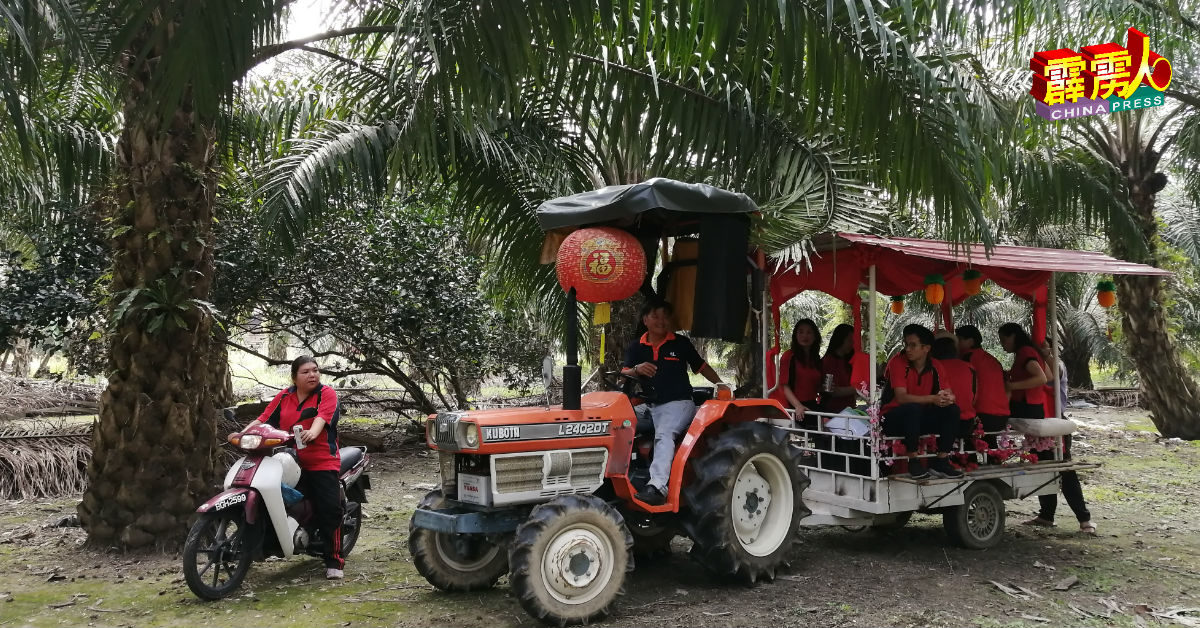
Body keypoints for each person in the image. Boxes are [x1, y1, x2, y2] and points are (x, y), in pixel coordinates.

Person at [244, 356, 345, 579]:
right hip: (290, 459)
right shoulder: (285, 396)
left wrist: (313, 433)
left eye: (315, 370)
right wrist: (243, 434)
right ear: (294, 377)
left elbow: (322, 418)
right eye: (306, 372)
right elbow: (263, 419)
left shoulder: (326, 393)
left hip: (321, 460)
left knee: (330, 508)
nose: (312, 375)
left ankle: (334, 560)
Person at [622, 300, 723, 506]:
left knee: (665, 433)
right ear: (645, 320)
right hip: (648, 405)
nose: (662, 320)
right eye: (656, 316)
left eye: (665, 316)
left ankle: (657, 486)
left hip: (678, 403)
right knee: (619, 424)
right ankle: (622, 476)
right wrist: (637, 369)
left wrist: (722, 384)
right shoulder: (636, 346)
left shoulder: (680, 343)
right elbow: (624, 373)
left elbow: (702, 366)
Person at [1024, 343, 1097, 535]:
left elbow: (1053, 373)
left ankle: (1084, 519)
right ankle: (1046, 514)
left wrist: (1046, 354)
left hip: (1056, 423)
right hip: (1038, 424)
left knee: (1065, 471)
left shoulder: (1056, 364)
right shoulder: (1033, 366)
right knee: (1043, 468)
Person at [880, 325, 963, 479]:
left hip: (918, 419)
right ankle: (913, 461)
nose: (908, 349)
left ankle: (942, 461)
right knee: (913, 409)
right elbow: (901, 398)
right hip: (892, 419)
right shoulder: (897, 362)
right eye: (906, 344)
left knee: (953, 410)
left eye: (913, 345)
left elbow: (949, 393)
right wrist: (933, 398)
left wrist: (948, 399)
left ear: (926, 348)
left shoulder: (937, 366)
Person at [956, 325, 1011, 456]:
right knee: (989, 441)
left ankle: (968, 461)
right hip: (1002, 416)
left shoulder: (966, 358)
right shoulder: (992, 359)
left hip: (982, 415)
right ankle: (994, 460)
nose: (956, 343)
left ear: (970, 341)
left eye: (959, 339)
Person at [776, 319, 824, 426]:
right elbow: (785, 386)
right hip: (794, 407)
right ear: (795, 335)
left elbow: (815, 386)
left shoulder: (815, 358)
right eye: (801, 332)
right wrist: (798, 406)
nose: (805, 336)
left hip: (812, 405)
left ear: (815, 336)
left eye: (809, 332)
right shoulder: (789, 356)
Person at [997, 323, 1047, 418]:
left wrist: (1011, 386)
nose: (1002, 345)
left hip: (1025, 405)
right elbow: (1049, 376)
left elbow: (1042, 378)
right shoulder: (1033, 350)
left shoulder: (1025, 352)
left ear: (1013, 336)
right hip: (1036, 405)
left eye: (1003, 340)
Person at [932, 336, 977, 438]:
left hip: (941, 422)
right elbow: (974, 396)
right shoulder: (969, 367)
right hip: (967, 422)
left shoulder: (933, 367)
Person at [821, 323, 858, 414]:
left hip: (849, 410)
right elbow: (832, 391)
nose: (852, 344)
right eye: (850, 340)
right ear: (841, 339)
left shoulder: (849, 360)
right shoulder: (828, 361)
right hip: (833, 412)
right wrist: (859, 389)